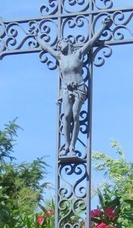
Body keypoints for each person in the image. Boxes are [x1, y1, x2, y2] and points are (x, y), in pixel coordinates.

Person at [35, 16, 111, 155]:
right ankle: (66, 145)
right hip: (66, 88)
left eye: (60, 43)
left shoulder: (78, 54)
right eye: (57, 45)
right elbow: (46, 47)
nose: (58, 46)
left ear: (68, 43)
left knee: (76, 115)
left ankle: (73, 147)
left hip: (79, 87)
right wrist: (36, 36)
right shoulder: (60, 57)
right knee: (66, 116)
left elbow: (92, 41)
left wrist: (103, 26)